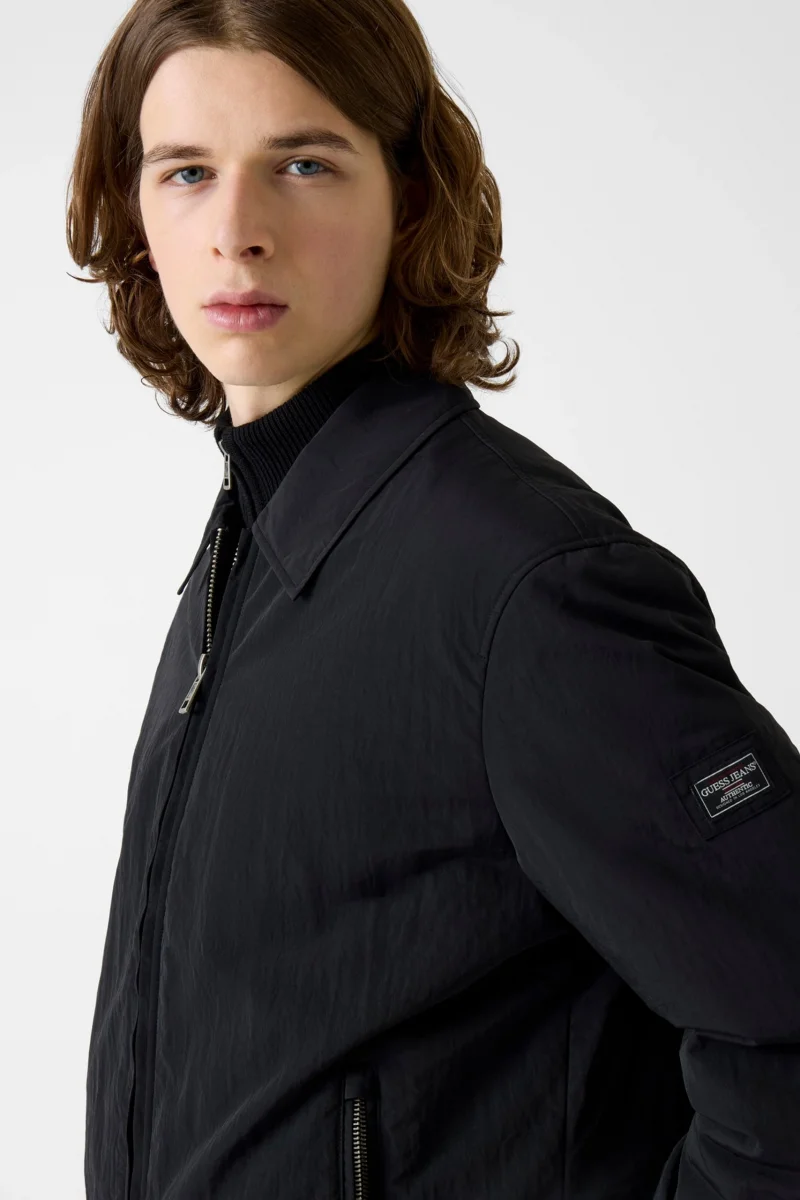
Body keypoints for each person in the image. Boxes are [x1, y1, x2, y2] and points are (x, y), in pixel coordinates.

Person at [67, 2, 800, 1198]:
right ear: (135, 211)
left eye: (303, 164)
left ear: (408, 195)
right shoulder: (251, 547)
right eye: (187, 172)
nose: (237, 231)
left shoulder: (524, 588)